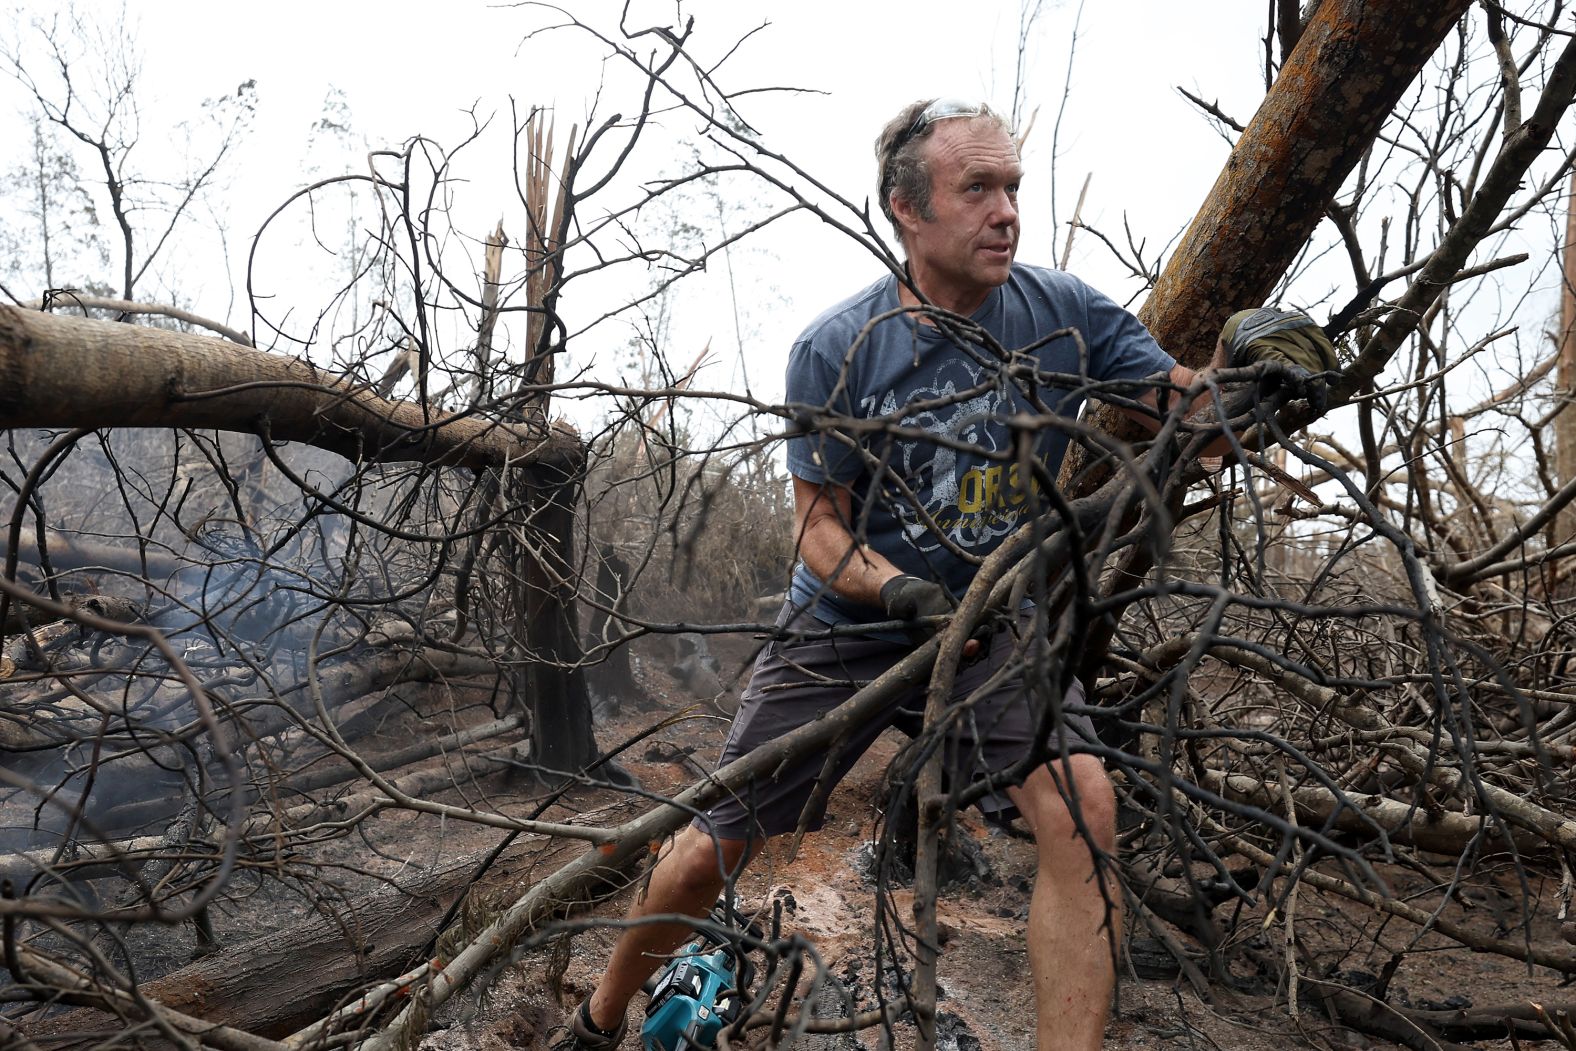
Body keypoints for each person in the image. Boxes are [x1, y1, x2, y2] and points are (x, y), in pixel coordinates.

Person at [555, 98, 1335, 1051]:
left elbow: (1184, 414)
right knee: (710, 850)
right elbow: (820, 531)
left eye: (1012, 187)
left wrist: (1253, 381)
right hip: (846, 629)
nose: (1006, 210)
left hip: (993, 629)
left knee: (1085, 808)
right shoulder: (838, 348)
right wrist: (900, 592)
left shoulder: (1064, 315)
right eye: (977, 189)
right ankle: (598, 1021)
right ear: (906, 210)